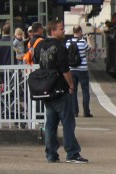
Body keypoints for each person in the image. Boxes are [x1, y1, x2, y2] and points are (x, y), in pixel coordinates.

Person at [31, 19, 86, 164]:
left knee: (51, 124)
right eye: (61, 29)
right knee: (68, 122)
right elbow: (65, 69)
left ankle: (51, 154)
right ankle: (72, 153)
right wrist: (71, 85)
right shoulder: (60, 47)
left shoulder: (42, 46)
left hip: (47, 89)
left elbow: (39, 62)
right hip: (60, 89)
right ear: (53, 31)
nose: (63, 31)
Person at [66, 25, 92, 117]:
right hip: (83, 70)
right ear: (80, 31)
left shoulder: (68, 42)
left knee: (73, 91)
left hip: (72, 69)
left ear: (73, 32)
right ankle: (86, 112)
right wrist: (88, 39)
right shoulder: (82, 42)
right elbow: (90, 48)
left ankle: (75, 112)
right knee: (85, 90)